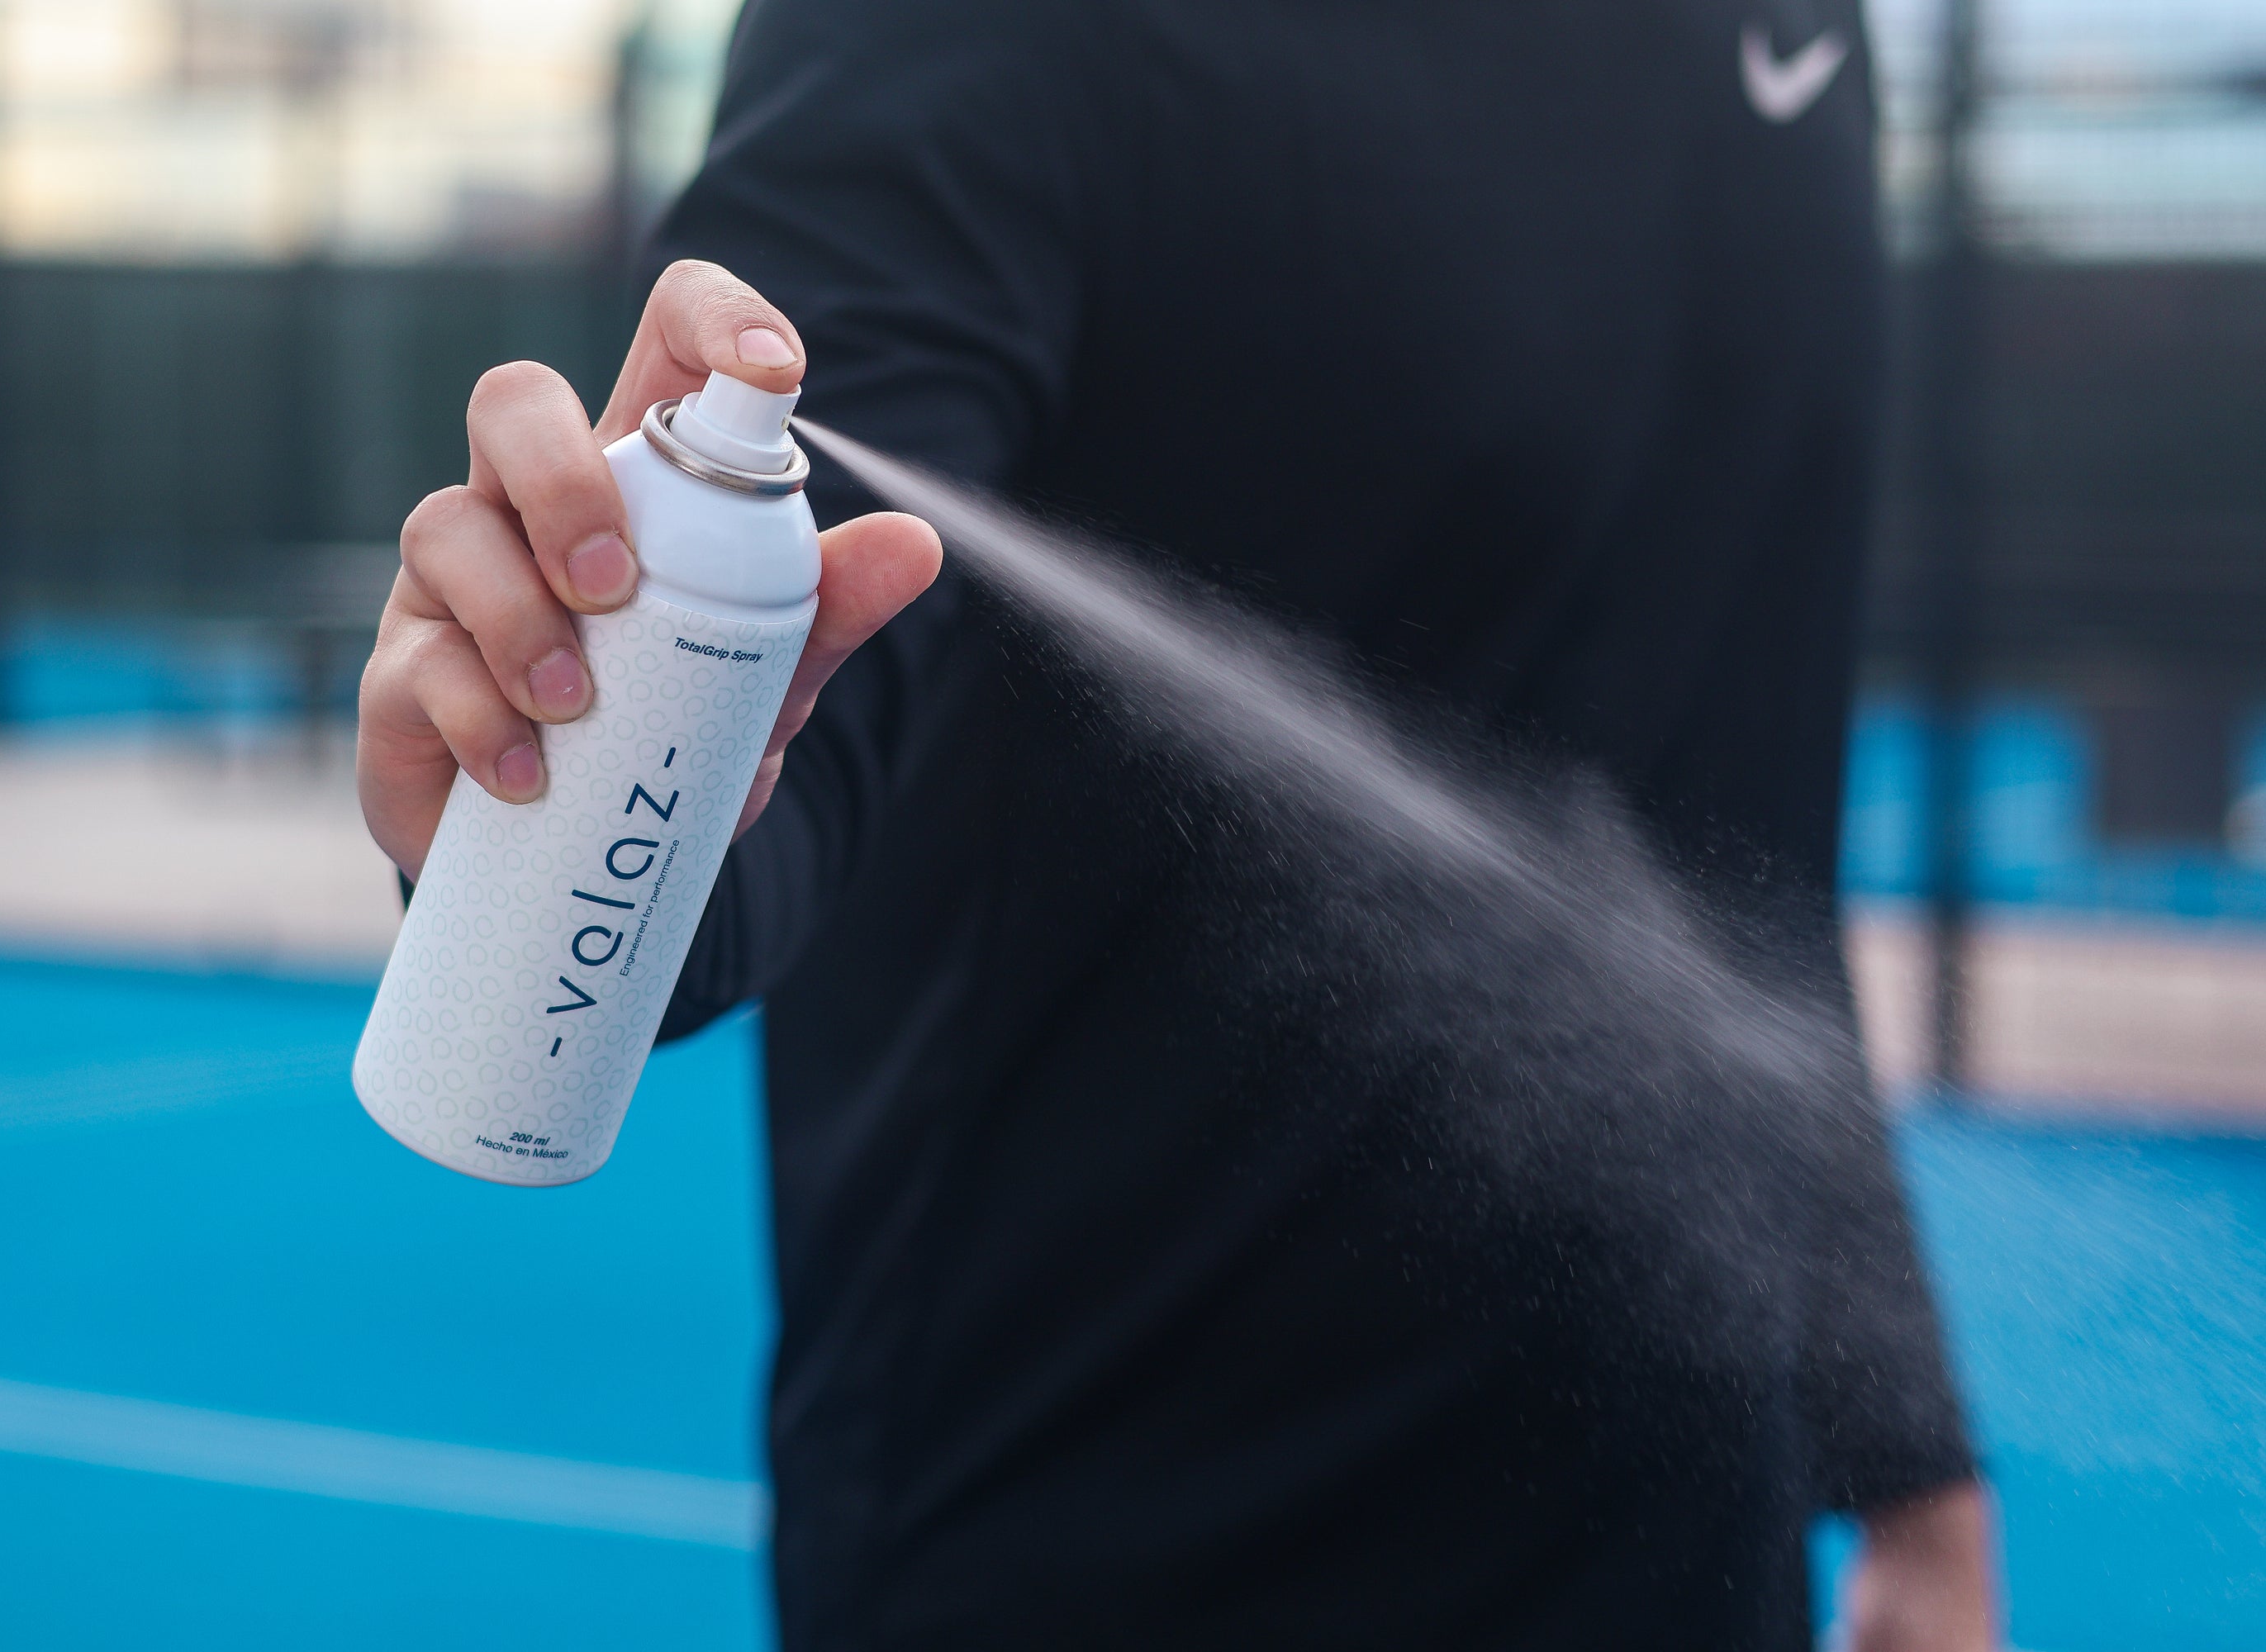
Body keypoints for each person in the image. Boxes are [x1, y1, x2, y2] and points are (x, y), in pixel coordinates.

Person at [358, 0, 1995, 1645]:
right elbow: (778, 741)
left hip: (1687, 1542)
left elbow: (1740, 801)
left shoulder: (1793, 28)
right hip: (1103, 1536)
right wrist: (559, 762)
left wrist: (1907, 1455)